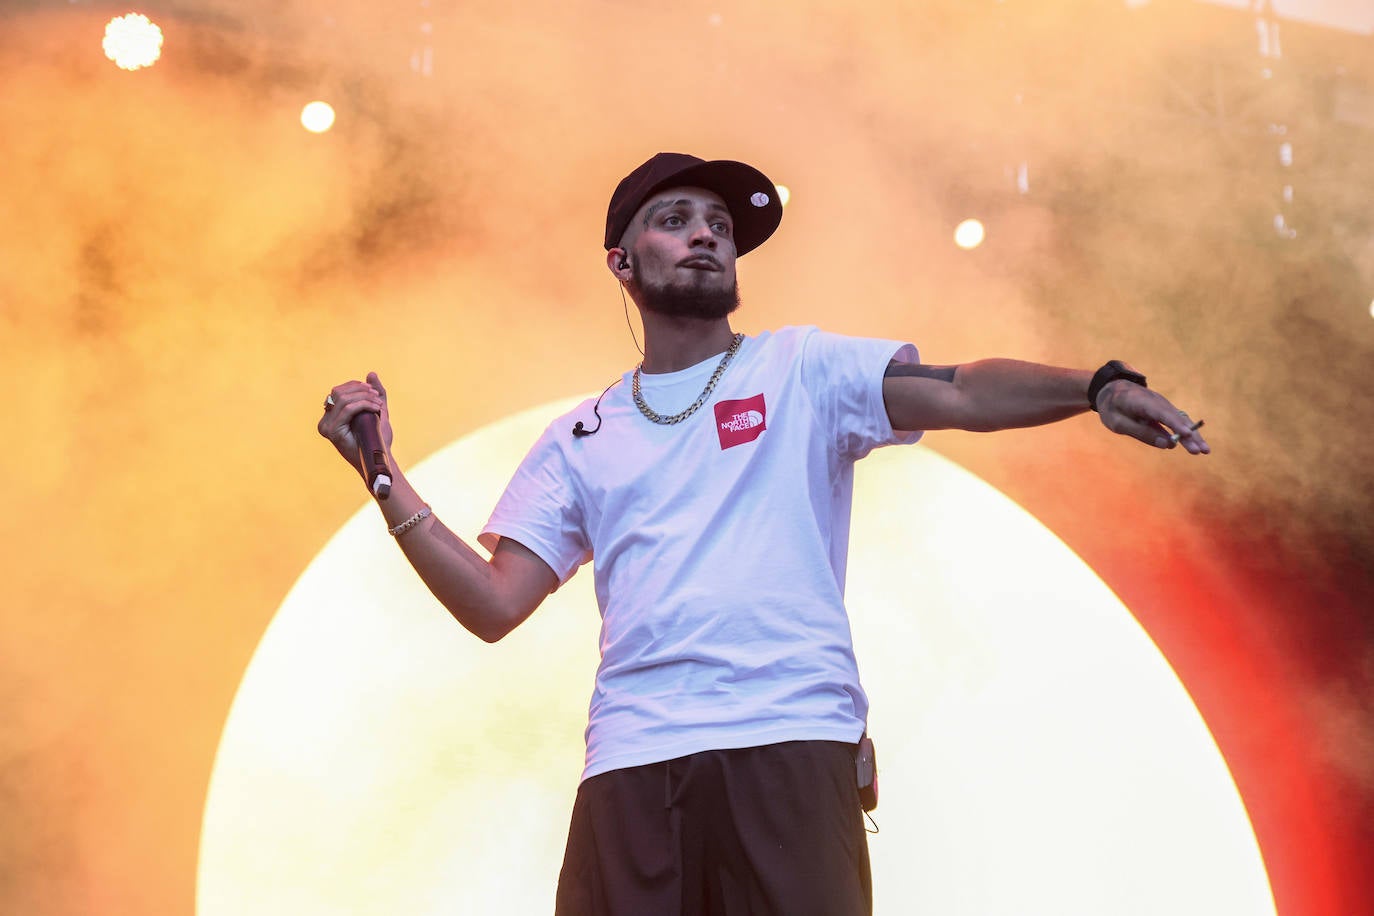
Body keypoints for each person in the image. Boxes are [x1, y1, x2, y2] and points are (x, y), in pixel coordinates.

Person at [318, 152, 1210, 916]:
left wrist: (1095, 387)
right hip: (634, 760)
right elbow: (493, 602)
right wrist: (383, 475)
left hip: (789, 739)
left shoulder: (803, 368)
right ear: (623, 262)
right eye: (676, 220)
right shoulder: (579, 438)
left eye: (720, 223)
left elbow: (965, 389)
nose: (707, 234)